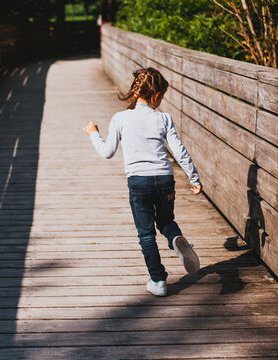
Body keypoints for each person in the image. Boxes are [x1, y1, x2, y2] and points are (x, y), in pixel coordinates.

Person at [82, 67, 202, 296]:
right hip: (165, 178)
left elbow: (107, 152)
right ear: (156, 95)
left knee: (146, 234)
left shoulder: (120, 118)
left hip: (138, 181)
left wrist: (93, 134)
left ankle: (158, 281)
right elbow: (179, 151)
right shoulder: (164, 119)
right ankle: (176, 239)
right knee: (166, 220)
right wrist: (193, 177)